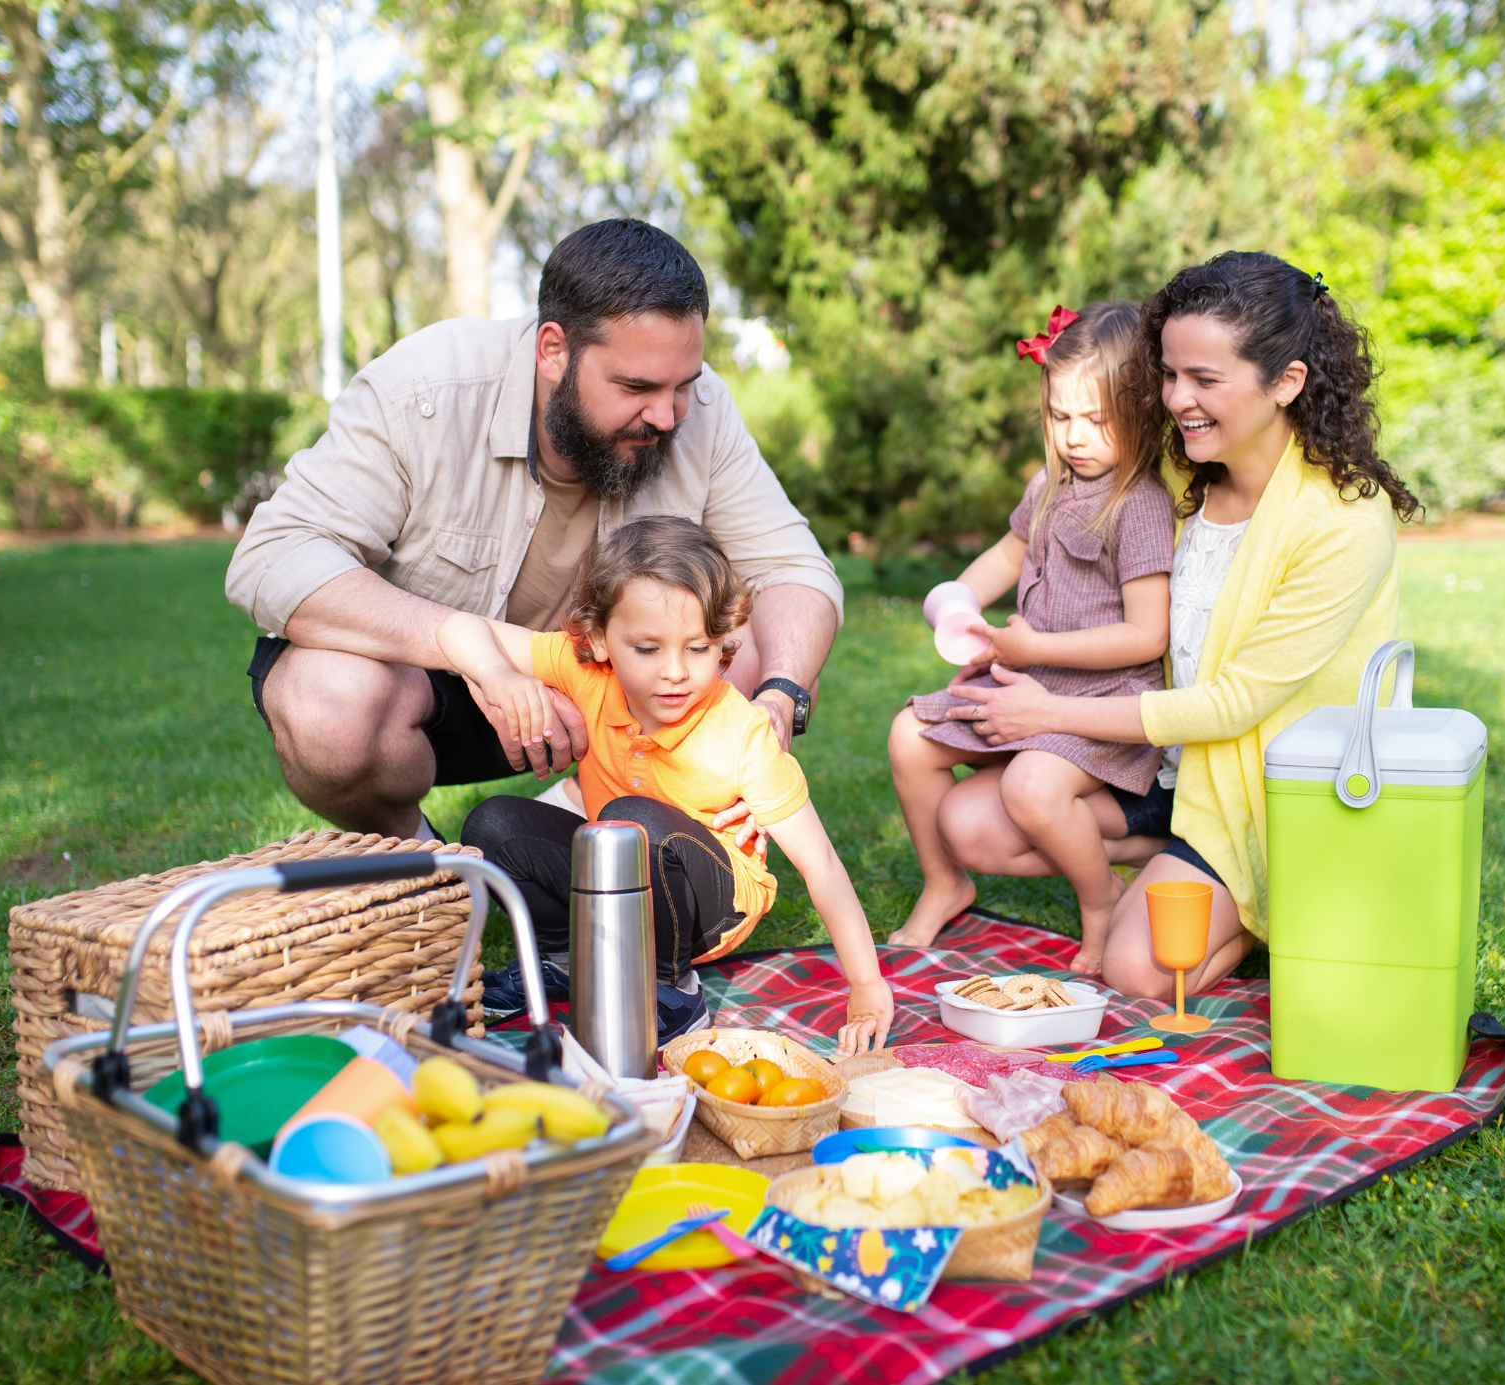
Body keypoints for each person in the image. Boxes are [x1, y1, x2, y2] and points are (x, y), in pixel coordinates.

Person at [225, 220, 843, 842]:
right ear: (553, 350)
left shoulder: (702, 412)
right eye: (636, 387)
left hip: (610, 691)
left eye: (683, 385)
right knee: (323, 702)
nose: (665, 415)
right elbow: (274, 556)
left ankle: (595, 818)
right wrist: (465, 647)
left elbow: (795, 571)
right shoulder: (425, 387)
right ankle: (427, 866)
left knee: (772, 636)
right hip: (431, 685)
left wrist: (781, 699)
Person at [938, 252, 1422, 999]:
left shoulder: (1342, 522)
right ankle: (1168, 861)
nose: (1176, 399)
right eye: (1168, 374)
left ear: (1286, 382)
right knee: (968, 823)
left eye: (1205, 379)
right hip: (1167, 769)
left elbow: (1234, 704)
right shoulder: (1181, 472)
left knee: (1139, 968)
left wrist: (1049, 709)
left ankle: (1270, 904)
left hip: (1257, 794)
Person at [430, 516, 895, 1053]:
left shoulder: (740, 734)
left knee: (633, 818)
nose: (675, 672)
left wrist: (867, 985)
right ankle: (561, 958)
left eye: (698, 648)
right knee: (493, 823)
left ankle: (670, 988)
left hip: (708, 908)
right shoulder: (586, 672)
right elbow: (458, 629)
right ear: (600, 640)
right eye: (648, 649)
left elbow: (822, 864)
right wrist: (497, 674)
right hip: (622, 876)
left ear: (723, 641)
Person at [885, 302, 1175, 973]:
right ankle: (945, 882)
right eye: (1060, 415)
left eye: (1097, 420)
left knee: (1033, 789)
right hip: (1026, 676)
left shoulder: (1141, 504)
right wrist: (958, 598)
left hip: (1101, 698)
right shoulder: (1050, 485)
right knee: (908, 736)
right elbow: (1010, 554)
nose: (1075, 435)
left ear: (1141, 413)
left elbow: (1146, 633)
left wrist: (1033, 649)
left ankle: (1100, 898)